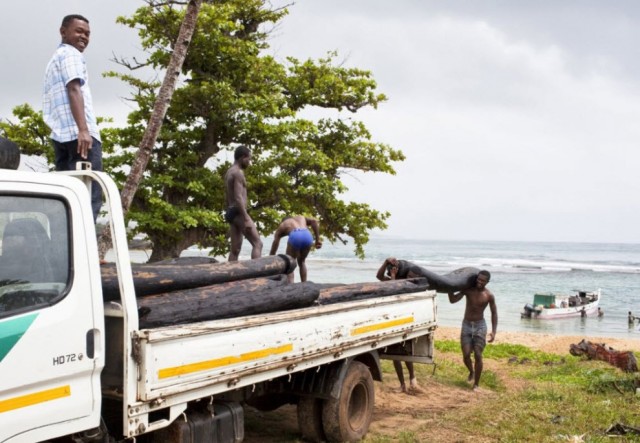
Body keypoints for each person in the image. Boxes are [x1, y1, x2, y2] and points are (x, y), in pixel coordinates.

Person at [43, 14, 102, 222]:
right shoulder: (71, 55)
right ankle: (84, 252)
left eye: (87, 33)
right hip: (79, 138)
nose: (84, 37)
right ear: (63, 31)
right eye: (79, 31)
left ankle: (64, 250)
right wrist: (84, 130)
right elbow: (74, 88)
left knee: (67, 198)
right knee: (89, 198)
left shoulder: (54, 60)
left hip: (61, 138)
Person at [376, 257, 421, 393]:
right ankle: (402, 384)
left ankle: (412, 380)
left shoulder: (413, 286)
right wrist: (385, 262)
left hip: (406, 321)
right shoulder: (395, 281)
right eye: (409, 276)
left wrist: (394, 278)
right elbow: (379, 276)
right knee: (396, 355)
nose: (410, 279)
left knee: (406, 353)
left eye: (413, 277)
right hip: (393, 321)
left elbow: (396, 291)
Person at [448, 270, 497, 391]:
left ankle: (476, 385)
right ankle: (471, 371)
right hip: (467, 325)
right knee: (465, 355)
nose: (479, 282)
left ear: (487, 282)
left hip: (480, 326)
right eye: (478, 279)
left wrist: (494, 331)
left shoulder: (489, 295)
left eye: (482, 281)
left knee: (478, 355)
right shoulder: (469, 290)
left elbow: (494, 313)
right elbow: (453, 300)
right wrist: (449, 287)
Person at [224, 145, 262, 261]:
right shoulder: (238, 173)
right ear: (242, 157)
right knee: (258, 244)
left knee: (235, 249)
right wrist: (245, 218)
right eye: (249, 159)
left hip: (231, 212)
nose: (249, 162)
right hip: (239, 212)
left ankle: (231, 277)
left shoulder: (229, 172)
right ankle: (256, 275)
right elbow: (238, 197)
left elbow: (227, 196)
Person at [269, 216, 322, 282]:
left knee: (290, 262)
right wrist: (317, 240)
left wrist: (271, 255)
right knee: (302, 262)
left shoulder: (283, 224)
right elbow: (314, 221)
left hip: (295, 235)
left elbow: (275, 242)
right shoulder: (301, 217)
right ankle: (304, 283)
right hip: (307, 235)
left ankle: (291, 285)